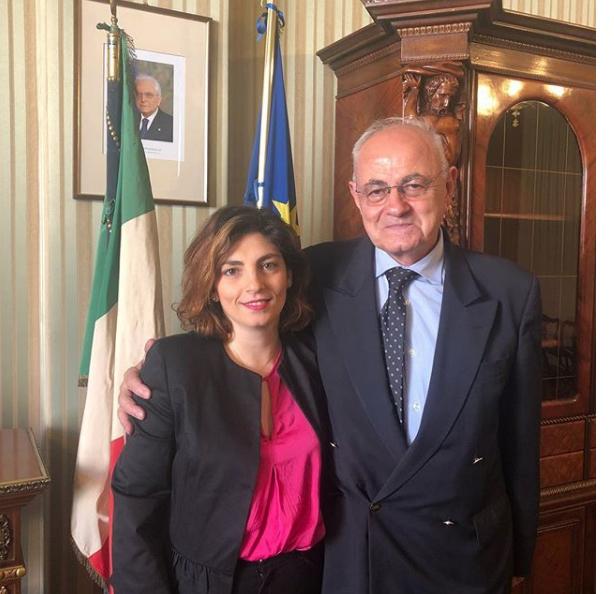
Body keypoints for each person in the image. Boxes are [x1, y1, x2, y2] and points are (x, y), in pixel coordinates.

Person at [121, 118, 542, 594]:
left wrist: (521, 556)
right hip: (349, 560)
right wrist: (150, 379)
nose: (396, 205)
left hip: (464, 560)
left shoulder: (511, 292)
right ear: (356, 195)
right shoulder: (317, 273)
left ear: (449, 185)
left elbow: (520, 441)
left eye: (414, 184)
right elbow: (242, 323)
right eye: (377, 189)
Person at [111, 206, 328, 594]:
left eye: (268, 265)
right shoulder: (175, 365)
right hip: (208, 582)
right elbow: (138, 497)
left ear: (289, 275)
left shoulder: (319, 362)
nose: (254, 284)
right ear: (212, 285)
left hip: (308, 576)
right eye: (232, 270)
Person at [135, 74, 174, 142]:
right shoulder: (128, 120)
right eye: (139, 94)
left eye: (149, 95)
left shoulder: (171, 125)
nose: (143, 99)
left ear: (159, 99)